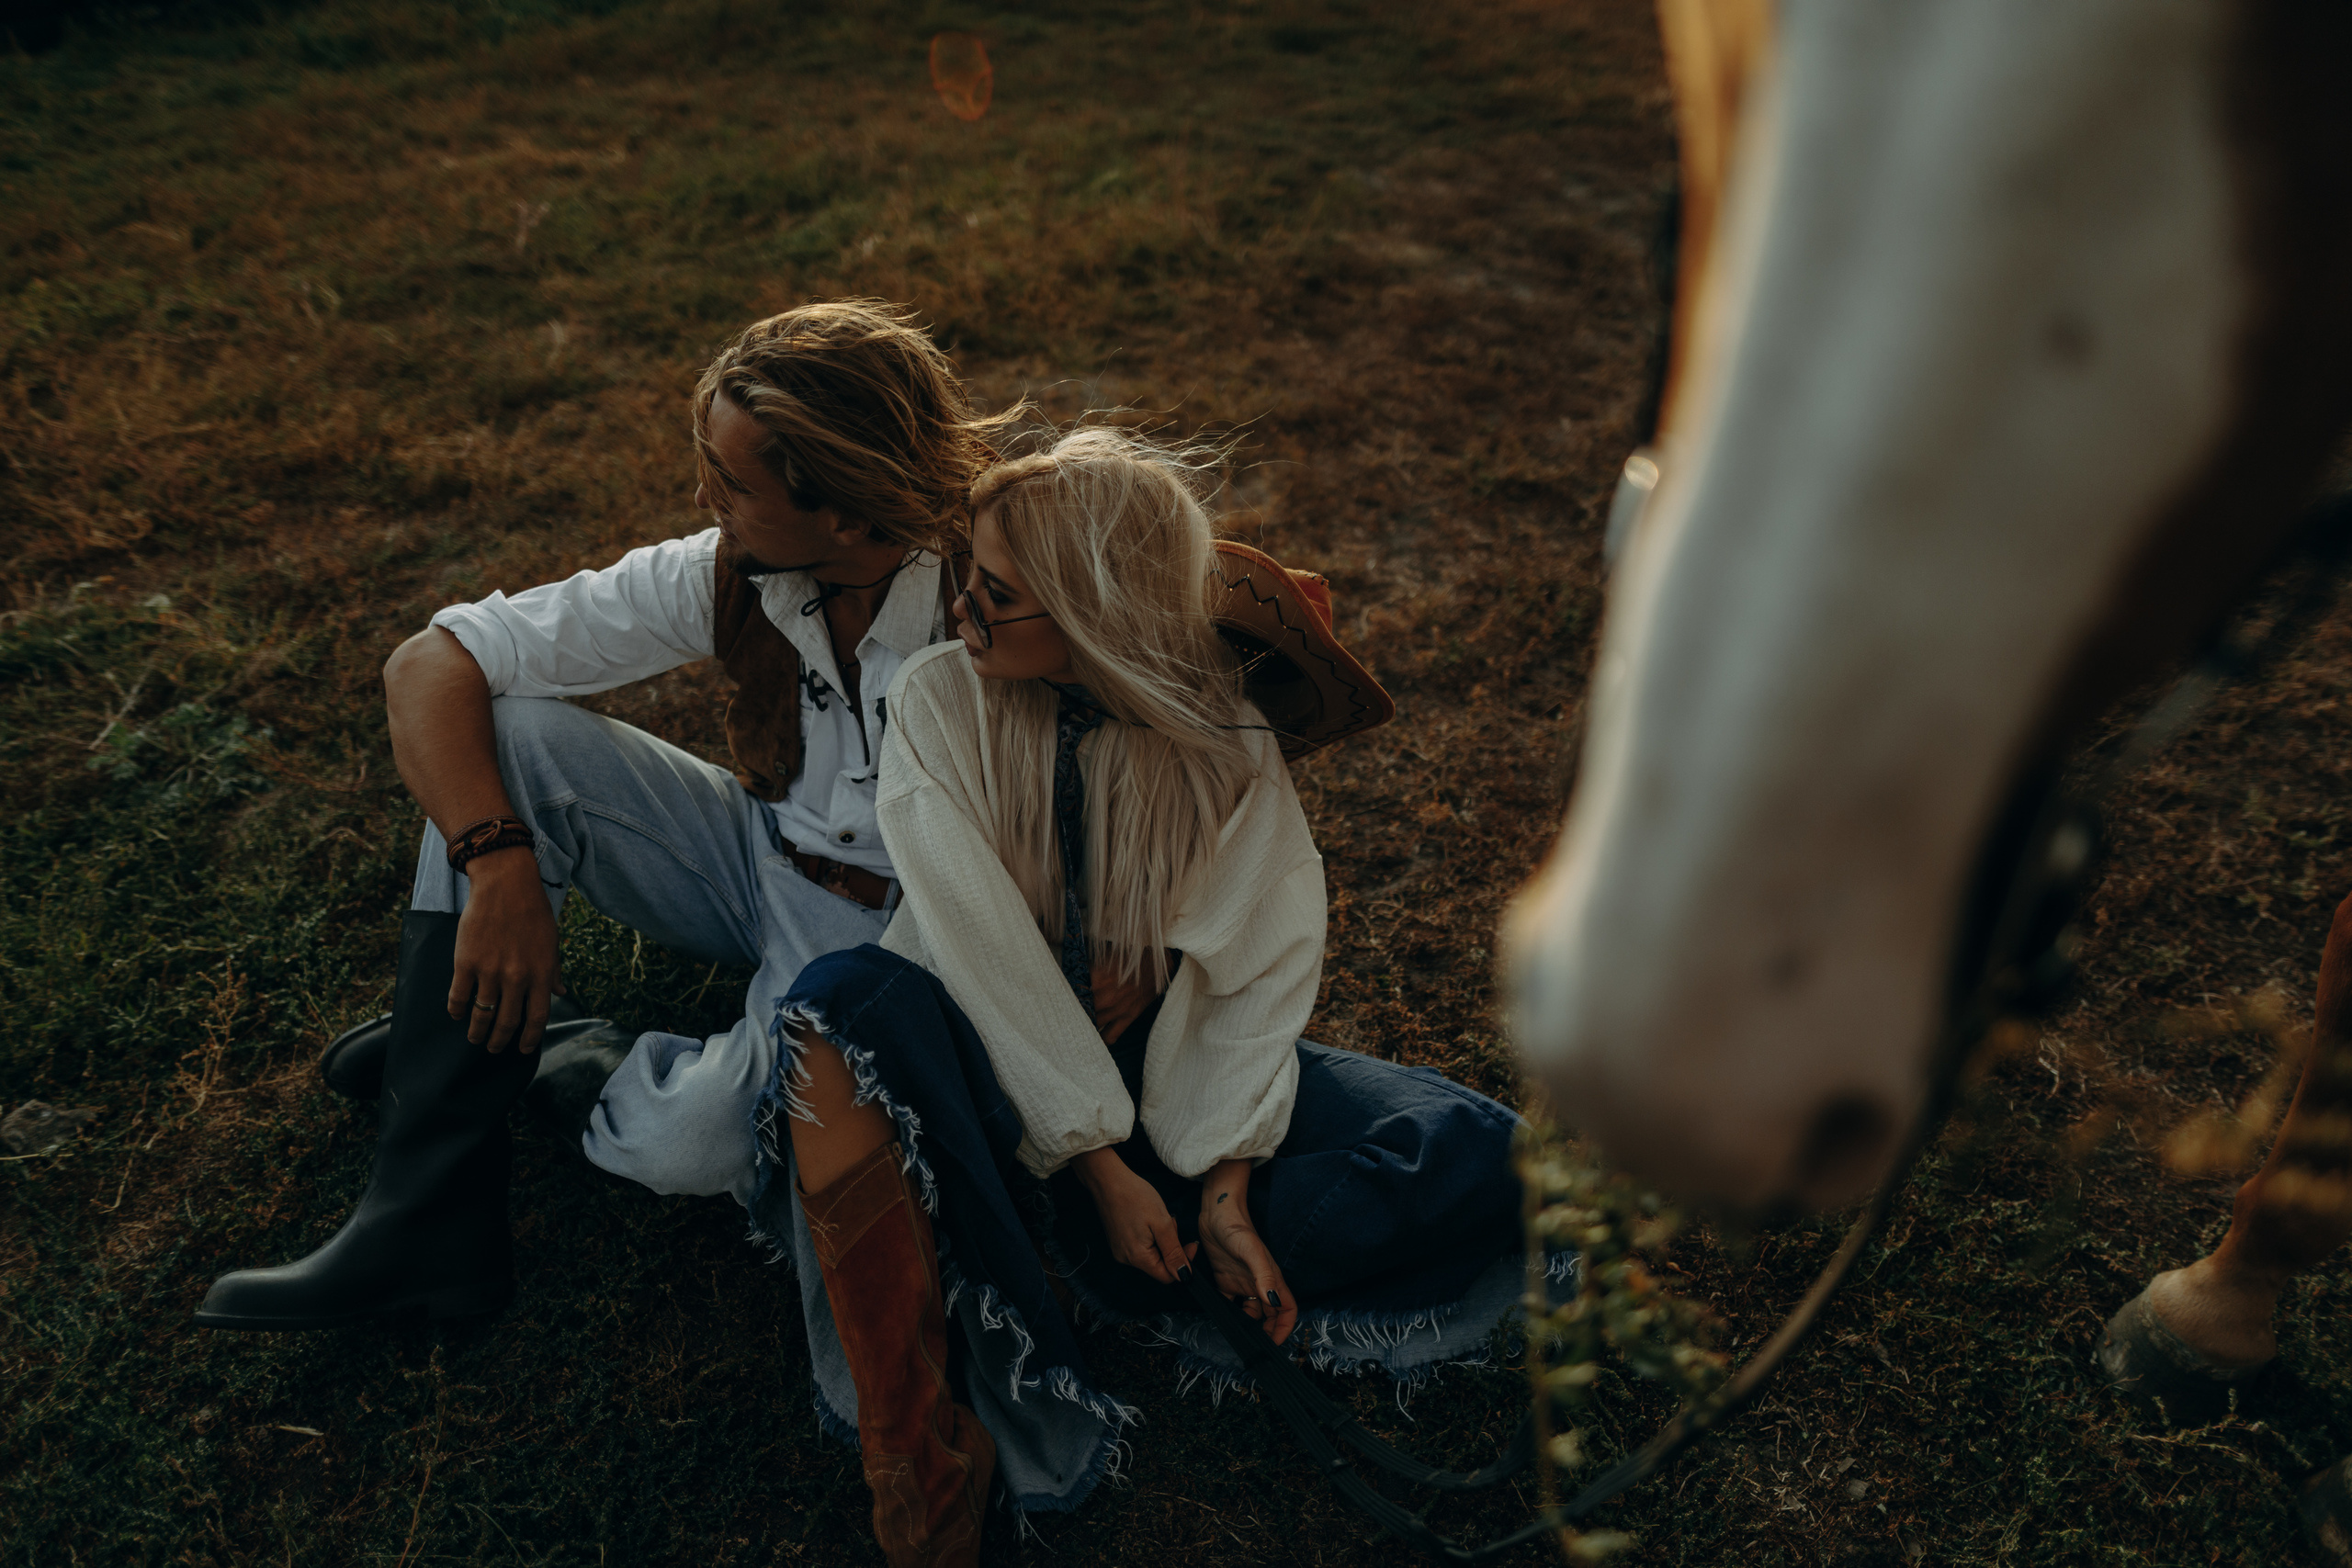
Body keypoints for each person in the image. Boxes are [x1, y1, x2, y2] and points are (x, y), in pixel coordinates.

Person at [750, 427, 1535, 1565]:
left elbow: (1256, 960)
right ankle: (944, 1417)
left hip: (1161, 1072)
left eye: (998, 594)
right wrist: (1100, 1165)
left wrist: (1224, 1187)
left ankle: (1137, 1263)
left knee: (1474, 1146)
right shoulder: (935, 703)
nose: (962, 610)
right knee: (837, 1003)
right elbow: (974, 949)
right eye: (971, 577)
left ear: (1094, 609)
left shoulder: (1221, 730)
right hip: (982, 1068)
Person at [192, 299, 1022, 1332]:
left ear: (847, 516)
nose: (701, 497)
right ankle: (423, 1230)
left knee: (695, 1145)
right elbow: (431, 662)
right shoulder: (741, 568)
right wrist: (496, 861)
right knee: (515, 737)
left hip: (903, 938)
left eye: (730, 483)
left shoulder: (1000, 616)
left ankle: (545, 1054)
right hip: (755, 853)